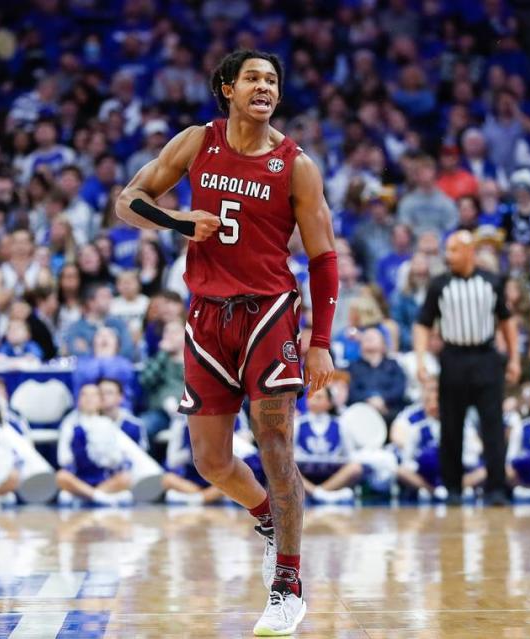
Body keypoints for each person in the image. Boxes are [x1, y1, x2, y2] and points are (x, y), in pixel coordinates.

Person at [115, 49, 338, 635]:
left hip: (269, 314)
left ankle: (288, 584)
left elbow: (324, 257)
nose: (264, 87)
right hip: (206, 315)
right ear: (227, 88)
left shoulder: (297, 165)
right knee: (210, 460)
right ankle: (266, 515)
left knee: (274, 444)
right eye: (253, 78)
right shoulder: (197, 142)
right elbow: (128, 200)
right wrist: (179, 222)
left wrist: (321, 340)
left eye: (272, 80)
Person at [415, 231, 520, 506]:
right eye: (448, 250)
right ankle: (453, 488)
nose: (448, 256)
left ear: (469, 251)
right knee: (451, 425)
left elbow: (507, 321)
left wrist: (514, 358)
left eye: (453, 250)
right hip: (453, 357)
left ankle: (496, 488)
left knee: (493, 425)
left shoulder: (492, 282)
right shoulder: (439, 285)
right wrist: (420, 360)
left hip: (486, 357)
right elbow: (423, 323)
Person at [55, 383, 137, 507]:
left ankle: (91, 495)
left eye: (93, 395)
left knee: (126, 478)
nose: (89, 399)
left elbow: (117, 458)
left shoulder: (108, 424)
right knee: (61, 477)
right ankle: (98, 496)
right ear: (78, 401)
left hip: (104, 479)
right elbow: (64, 459)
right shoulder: (70, 425)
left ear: (100, 401)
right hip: (79, 478)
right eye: (84, 395)